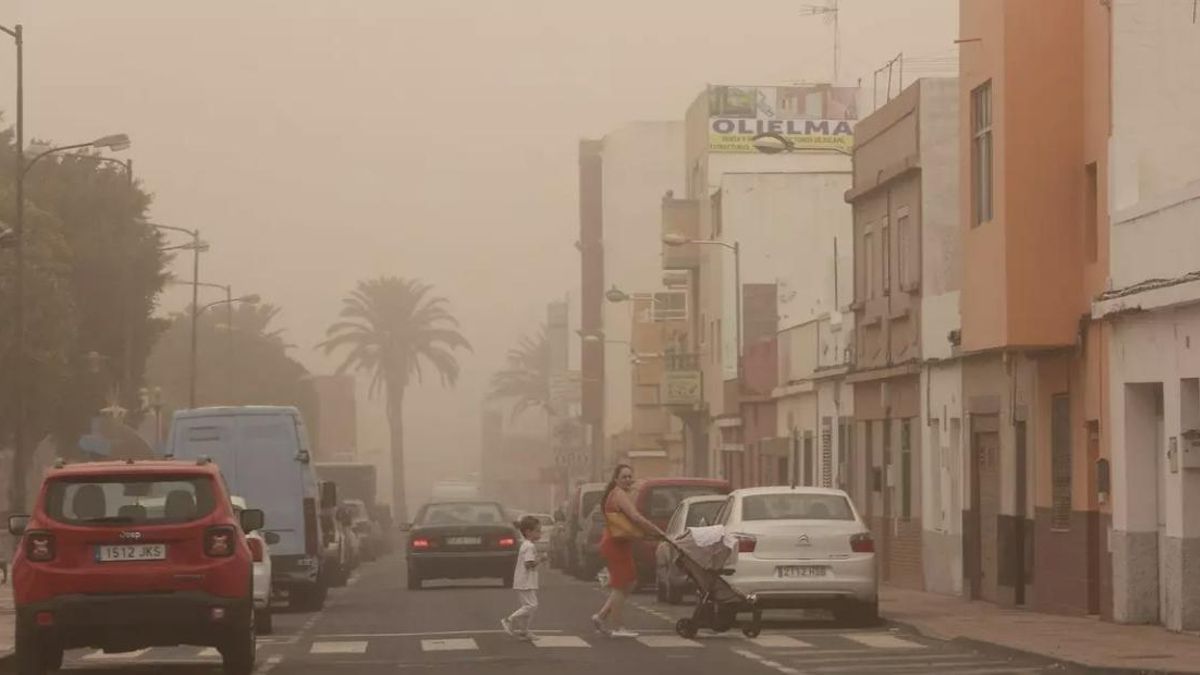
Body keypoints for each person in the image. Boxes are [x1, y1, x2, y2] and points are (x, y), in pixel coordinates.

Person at [591, 464, 664, 638]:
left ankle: (601, 616)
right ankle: (618, 627)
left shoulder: (619, 494)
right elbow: (635, 517)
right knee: (621, 584)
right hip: (614, 544)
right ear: (616, 479)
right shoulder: (618, 494)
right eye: (624, 477)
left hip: (620, 543)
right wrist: (656, 530)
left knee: (629, 582)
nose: (628, 479)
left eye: (630, 476)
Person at [501, 514, 545, 642]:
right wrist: (541, 559)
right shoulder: (529, 546)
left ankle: (524, 631)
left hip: (525, 581)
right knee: (532, 605)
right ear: (528, 532)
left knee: (527, 607)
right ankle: (509, 620)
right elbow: (529, 564)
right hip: (525, 582)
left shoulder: (526, 545)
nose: (540, 533)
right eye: (537, 531)